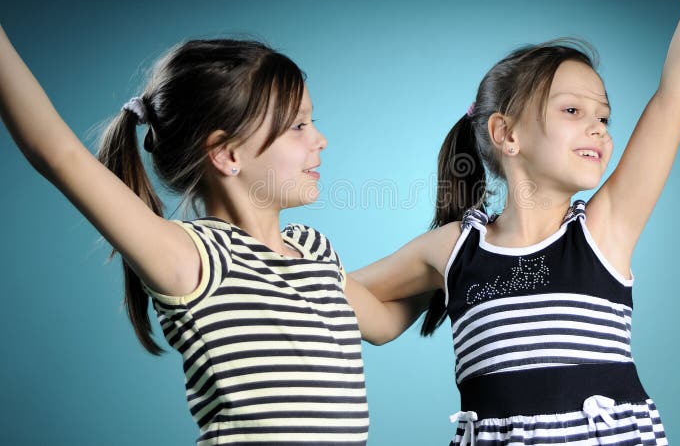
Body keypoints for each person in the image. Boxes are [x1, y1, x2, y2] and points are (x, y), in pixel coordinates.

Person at [349, 0, 680, 444]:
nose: (598, 128)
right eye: (571, 110)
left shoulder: (603, 231)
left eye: (604, 117)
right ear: (506, 134)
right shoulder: (453, 249)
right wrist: (266, 243)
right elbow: (349, 300)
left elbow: (677, 91)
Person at [0, 34, 420, 444]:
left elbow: (382, 323)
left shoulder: (314, 251)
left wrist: (456, 257)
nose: (320, 139)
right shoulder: (194, 258)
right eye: (297, 126)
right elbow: (57, 152)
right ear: (227, 154)